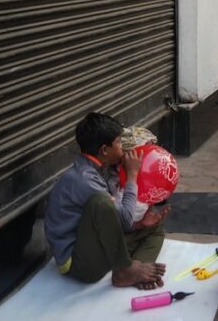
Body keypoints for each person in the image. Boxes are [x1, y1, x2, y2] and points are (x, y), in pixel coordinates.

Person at [44, 113, 169, 288]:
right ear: (104, 150)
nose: (122, 147)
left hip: (91, 244)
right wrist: (132, 175)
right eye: (118, 142)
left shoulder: (95, 168)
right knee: (101, 202)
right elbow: (124, 221)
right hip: (77, 264)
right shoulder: (84, 180)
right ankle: (127, 268)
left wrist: (138, 226)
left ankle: (133, 270)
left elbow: (114, 221)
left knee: (154, 228)